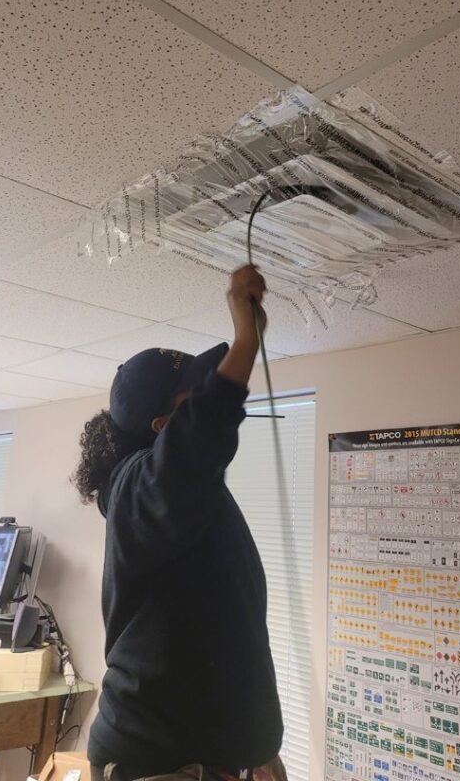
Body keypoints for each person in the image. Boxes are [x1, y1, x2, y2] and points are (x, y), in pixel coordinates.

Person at [73, 265, 285, 781]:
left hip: (216, 755)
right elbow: (196, 440)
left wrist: (256, 747)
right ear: (162, 427)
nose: (210, 394)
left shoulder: (182, 500)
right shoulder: (134, 491)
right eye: (194, 392)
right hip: (160, 762)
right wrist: (243, 343)